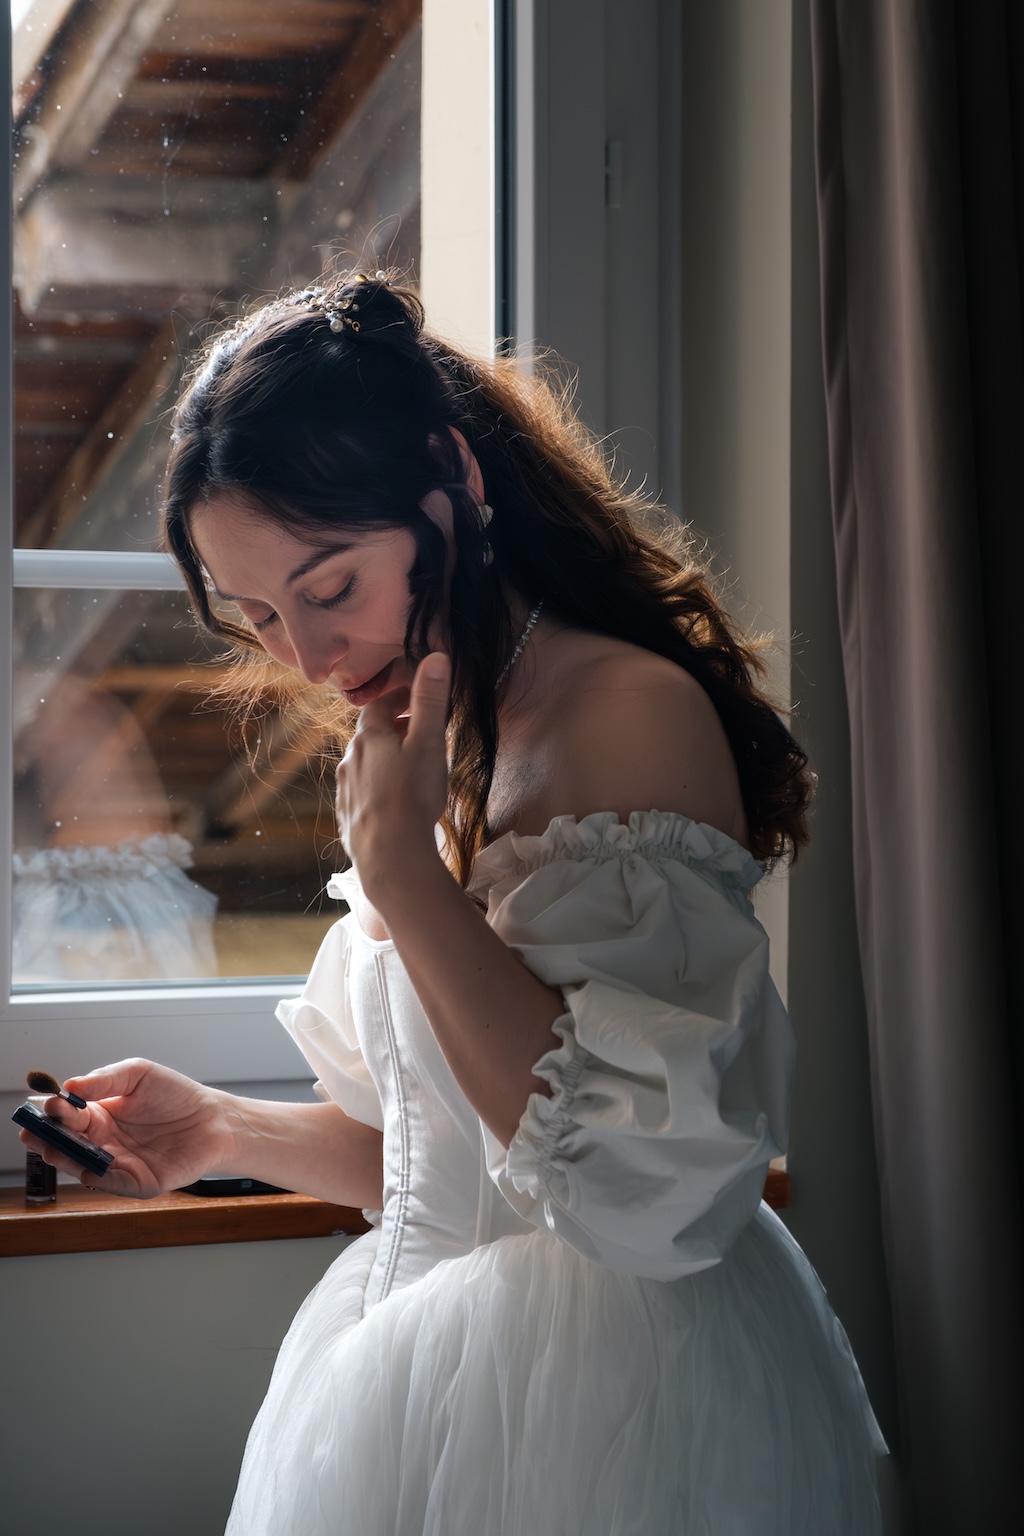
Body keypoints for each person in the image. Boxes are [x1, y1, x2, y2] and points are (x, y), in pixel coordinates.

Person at [21, 272, 885, 1534]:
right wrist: (217, 1131)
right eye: (260, 616)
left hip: (617, 1407)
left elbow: (647, 1193)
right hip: (409, 1363)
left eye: (329, 588)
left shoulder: (621, 717)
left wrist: (410, 883)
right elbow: (456, 1150)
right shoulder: (431, 725)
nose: (310, 660)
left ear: (455, 483)